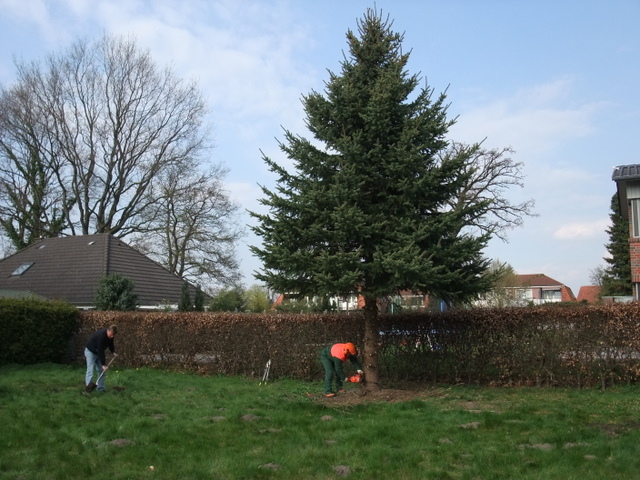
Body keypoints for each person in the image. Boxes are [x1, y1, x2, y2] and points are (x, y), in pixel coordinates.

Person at [85, 325, 118, 392]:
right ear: (108, 330)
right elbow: (100, 350)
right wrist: (103, 364)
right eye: (111, 334)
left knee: (101, 371)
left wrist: (113, 352)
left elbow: (111, 344)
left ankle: (100, 388)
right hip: (90, 352)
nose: (112, 336)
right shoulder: (101, 336)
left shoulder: (111, 336)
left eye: (113, 335)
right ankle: (88, 388)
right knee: (90, 370)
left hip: (98, 352)